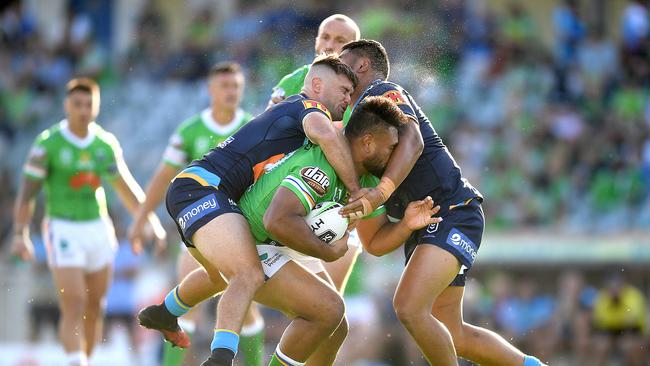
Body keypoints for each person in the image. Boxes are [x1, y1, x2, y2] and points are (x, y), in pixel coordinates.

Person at [143, 96, 440, 366]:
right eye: (390, 148)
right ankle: (213, 349)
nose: (393, 159)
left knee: (336, 329)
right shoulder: (321, 167)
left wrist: (405, 225)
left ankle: (166, 311)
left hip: (283, 243)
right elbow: (278, 221)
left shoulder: (369, 185)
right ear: (366, 143)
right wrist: (328, 251)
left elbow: (374, 243)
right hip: (257, 237)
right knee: (328, 309)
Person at [137, 54, 363, 366]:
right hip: (204, 189)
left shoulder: (291, 110)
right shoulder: (310, 108)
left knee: (220, 278)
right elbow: (324, 134)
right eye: (343, 90)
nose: (348, 98)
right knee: (247, 273)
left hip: (197, 191)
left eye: (352, 93)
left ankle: (165, 312)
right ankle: (220, 359)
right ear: (316, 85)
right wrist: (356, 190)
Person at [340, 39, 546, 366]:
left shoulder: (381, 93)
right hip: (425, 227)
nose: (338, 75)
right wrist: (405, 224)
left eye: (342, 63)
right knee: (454, 334)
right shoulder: (352, 148)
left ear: (362, 66)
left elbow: (413, 139)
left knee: (408, 307)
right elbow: (375, 243)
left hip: (453, 210)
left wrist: (381, 193)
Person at [11, 77, 166, 366]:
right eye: (77, 104)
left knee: (95, 306)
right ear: (66, 105)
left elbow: (125, 187)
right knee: (74, 301)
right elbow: (27, 193)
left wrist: (151, 223)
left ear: (95, 108)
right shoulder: (48, 145)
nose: (83, 110)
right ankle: (75, 360)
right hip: (63, 227)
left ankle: (87, 360)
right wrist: (20, 233)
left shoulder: (104, 144)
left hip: (98, 228)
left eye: (89, 105)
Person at [127, 62, 265, 366]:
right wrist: (141, 220)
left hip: (242, 228)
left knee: (249, 304)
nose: (231, 92)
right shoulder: (190, 130)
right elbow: (164, 177)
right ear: (210, 90)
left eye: (236, 87)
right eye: (225, 86)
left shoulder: (252, 127)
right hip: (201, 226)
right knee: (188, 302)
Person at [591, 274, 647, 366]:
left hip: (631, 331)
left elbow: (632, 320)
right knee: (600, 346)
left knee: (630, 347)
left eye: (618, 286)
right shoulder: (602, 297)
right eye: (611, 287)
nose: (615, 290)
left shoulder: (634, 296)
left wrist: (613, 315)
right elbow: (597, 320)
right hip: (609, 331)